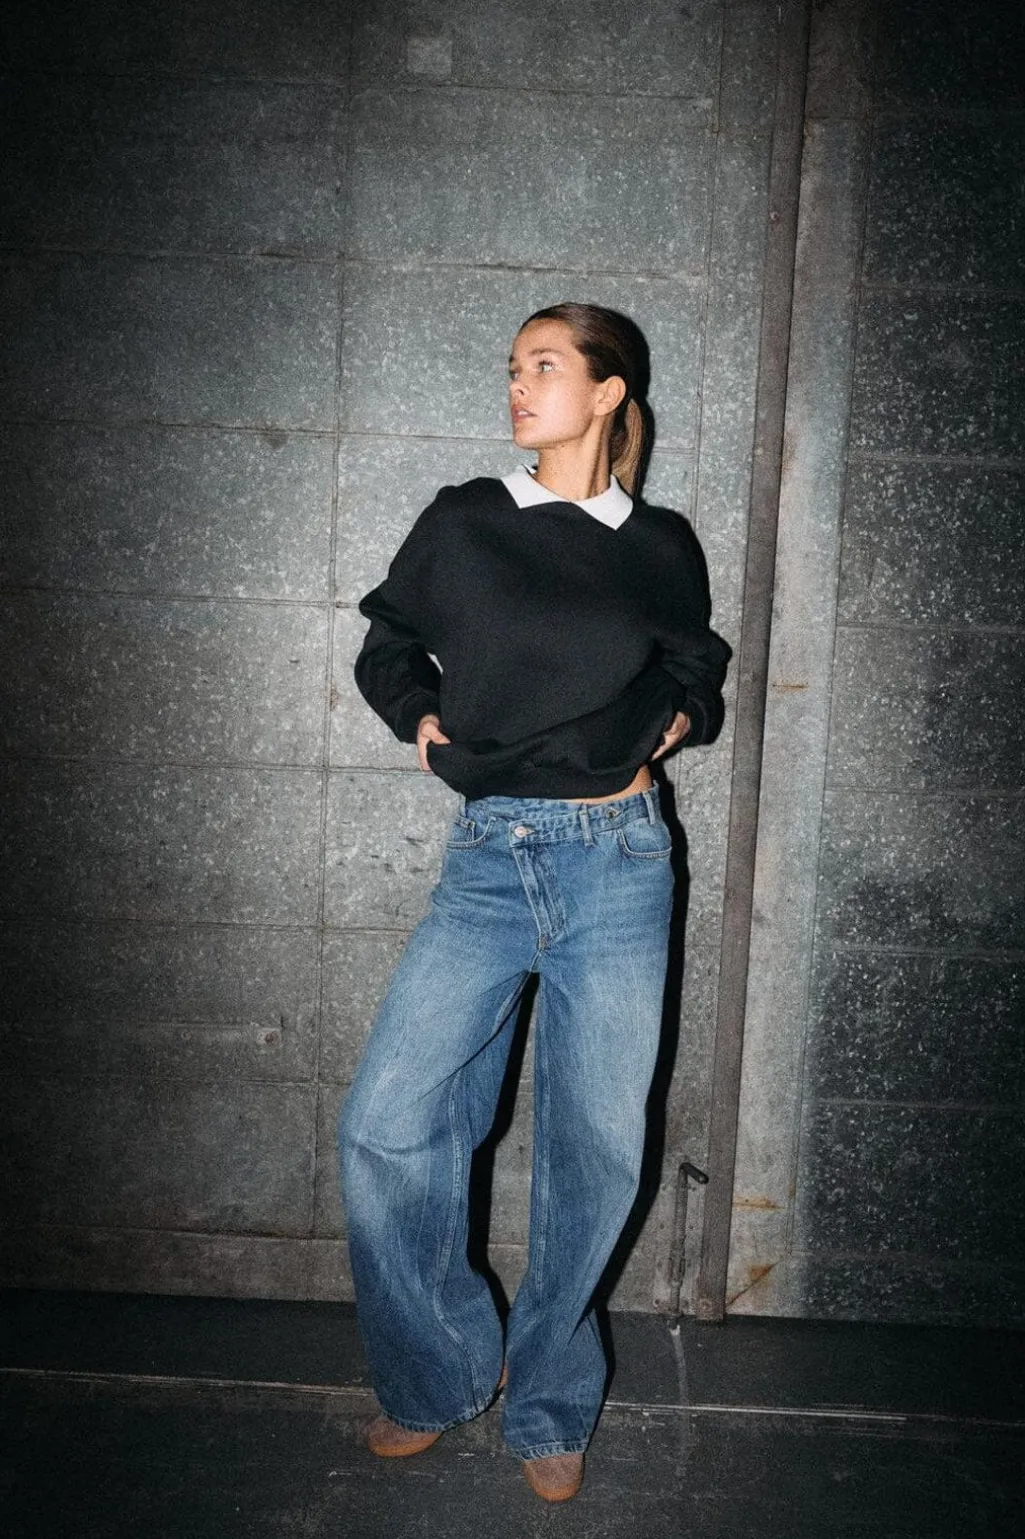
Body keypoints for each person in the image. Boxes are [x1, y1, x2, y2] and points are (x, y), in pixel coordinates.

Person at [339, 301, 731, 1502]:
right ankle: (440, 1370)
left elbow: (696, 666)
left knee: (593, 1148)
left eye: (544, 366)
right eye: (512, 367)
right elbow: (387, 638)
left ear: (607, 392)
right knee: (386, 1124)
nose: (517, 384)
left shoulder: (656, 542)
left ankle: (549, 1403)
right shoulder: (466, 519)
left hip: (618, 861)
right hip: (488, 859)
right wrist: (417, 717)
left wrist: (674, 722)